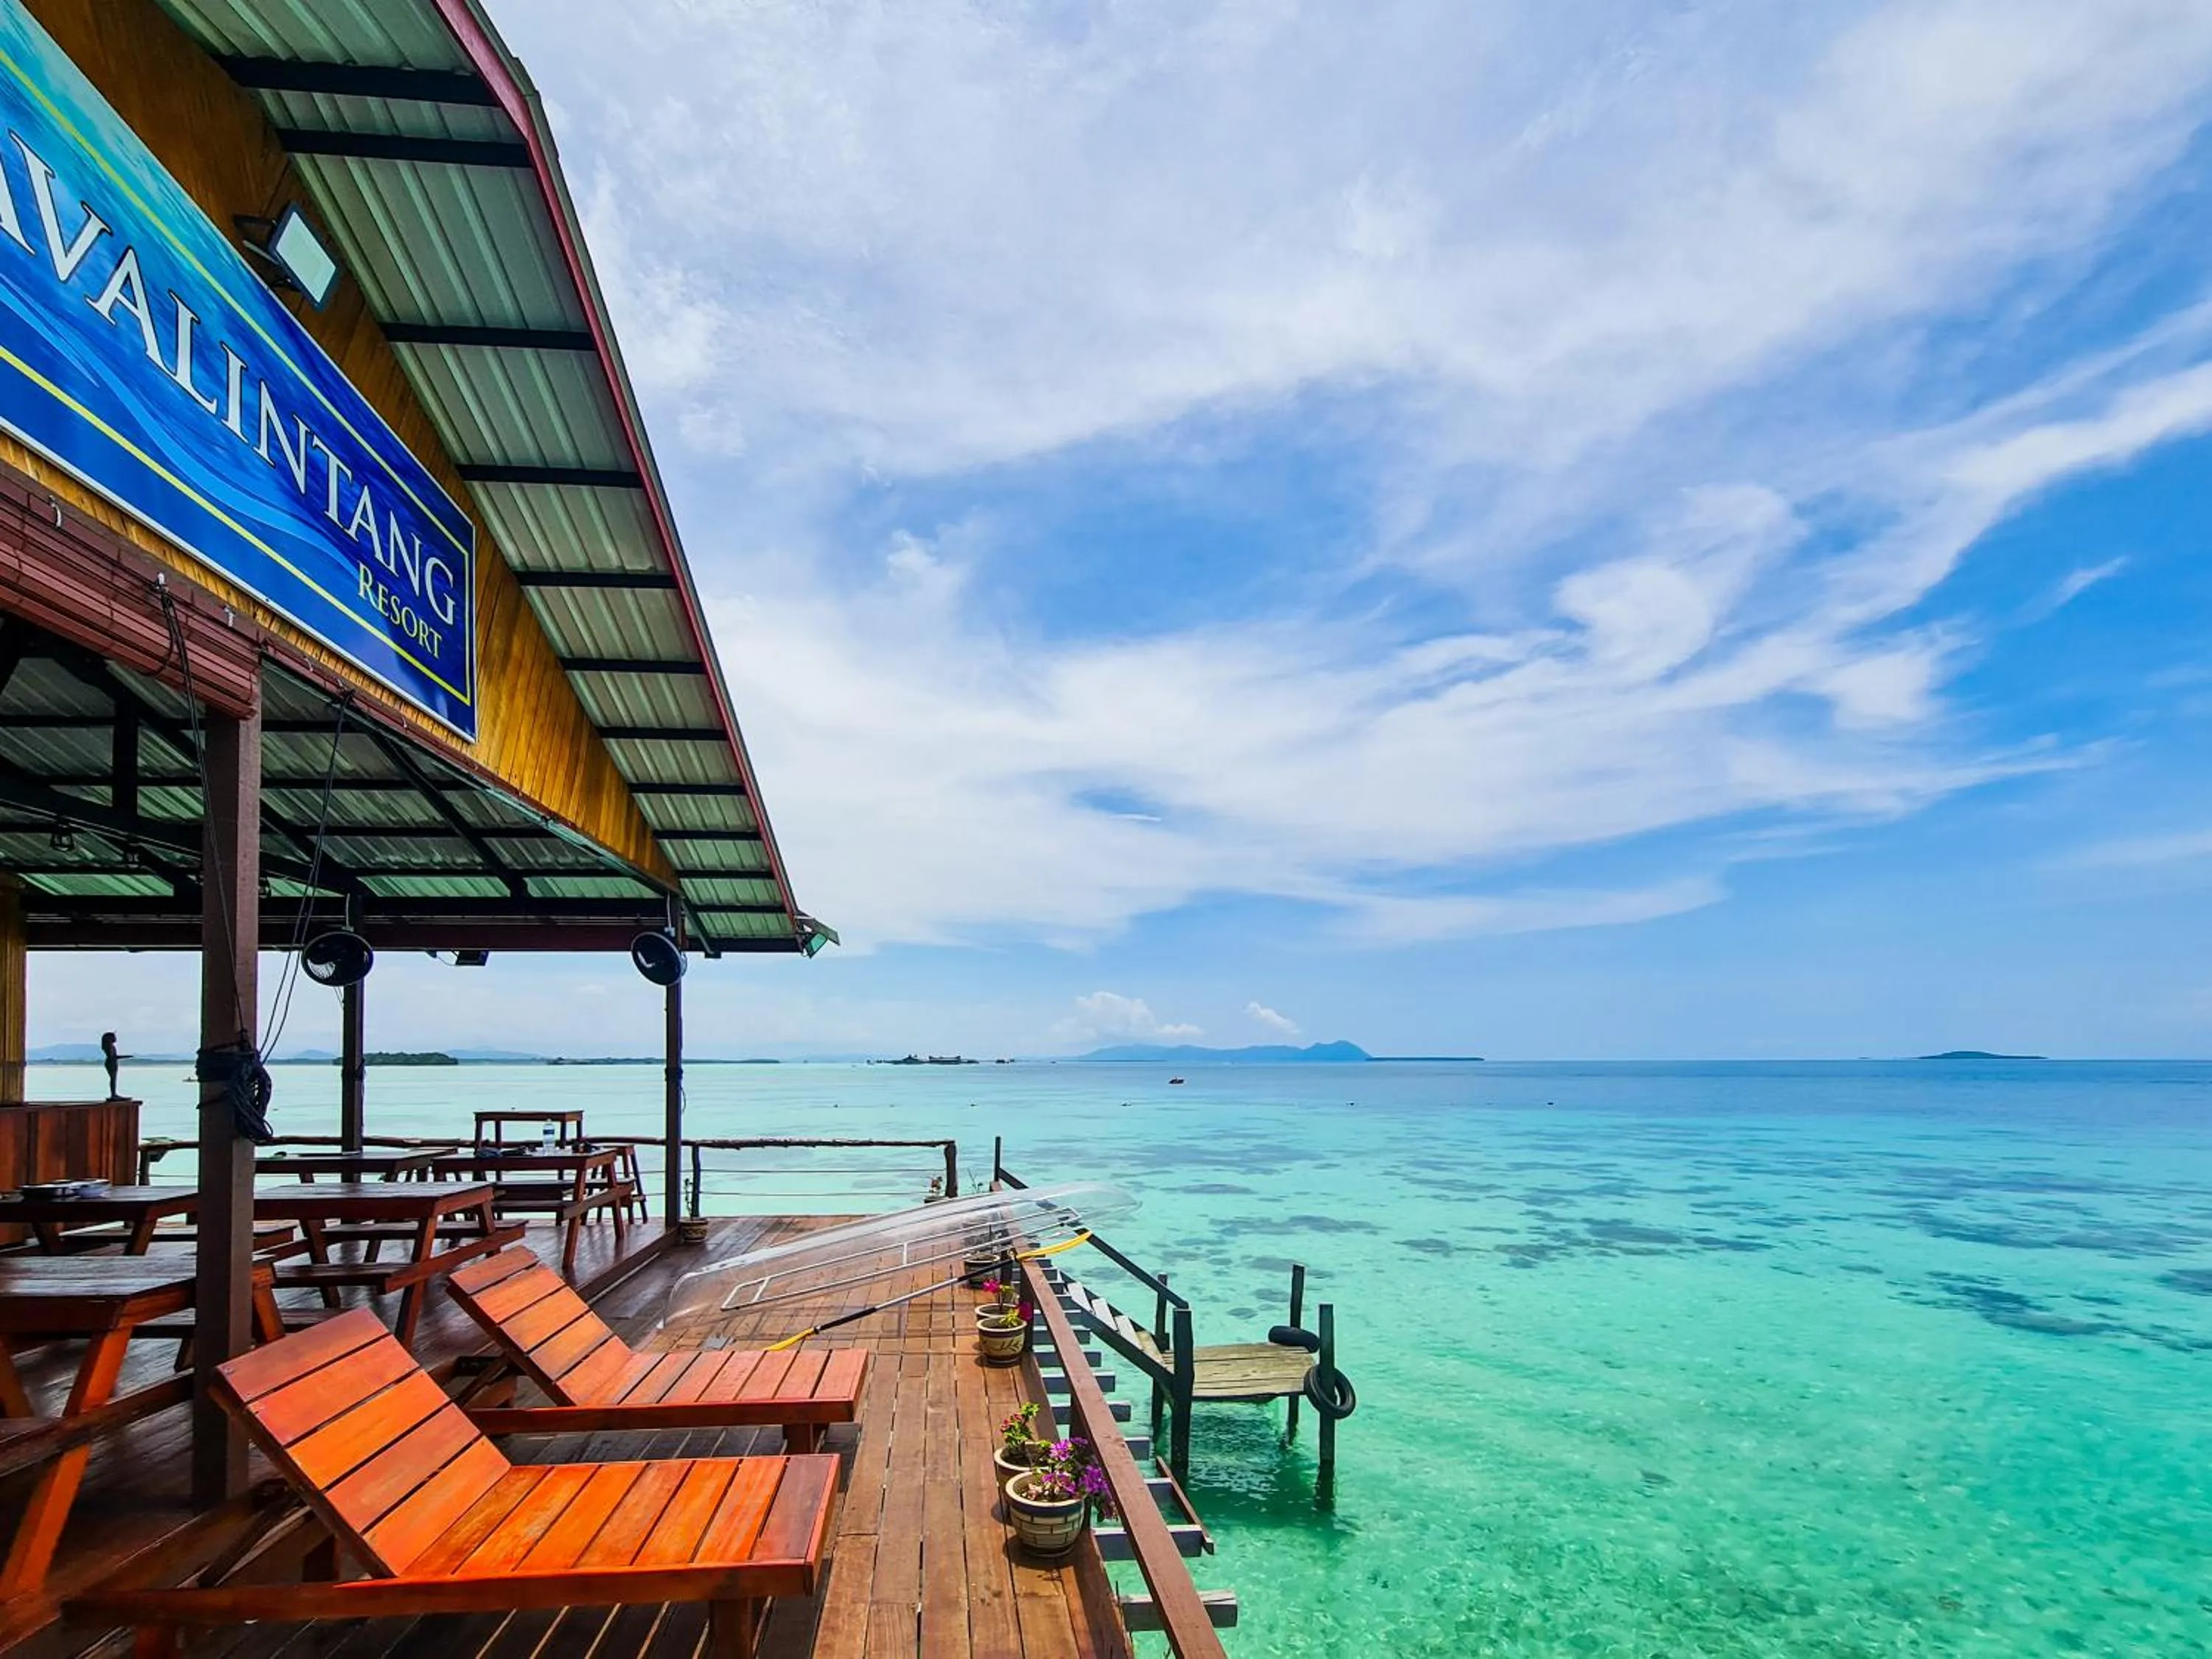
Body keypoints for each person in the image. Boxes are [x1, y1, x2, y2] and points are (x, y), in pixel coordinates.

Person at [100, 1030, 125, 1099]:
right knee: (113, 1079)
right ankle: (113, 1095)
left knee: (114, 1079)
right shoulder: (109, 1046)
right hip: (111, 1063)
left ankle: (114, 1094)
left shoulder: (110, 1046)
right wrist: (125, 1057)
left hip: (112, 1063)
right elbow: (112, 1057)